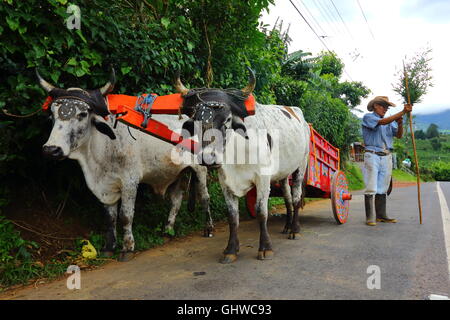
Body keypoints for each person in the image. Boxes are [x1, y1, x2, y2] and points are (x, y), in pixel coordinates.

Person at [362, 96, 412, 226]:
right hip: (372, 154)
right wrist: (402, 112)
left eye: (387, 107)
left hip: (386, 155)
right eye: (383, 106)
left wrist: (400, 122)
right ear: (375, 106)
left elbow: (399, 135)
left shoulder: (390, 121)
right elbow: (382, 122)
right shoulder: (369, 117)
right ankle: (370, 217)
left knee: (383, 187)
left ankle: (381, 215)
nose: (385, 109)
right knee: (371, 186)